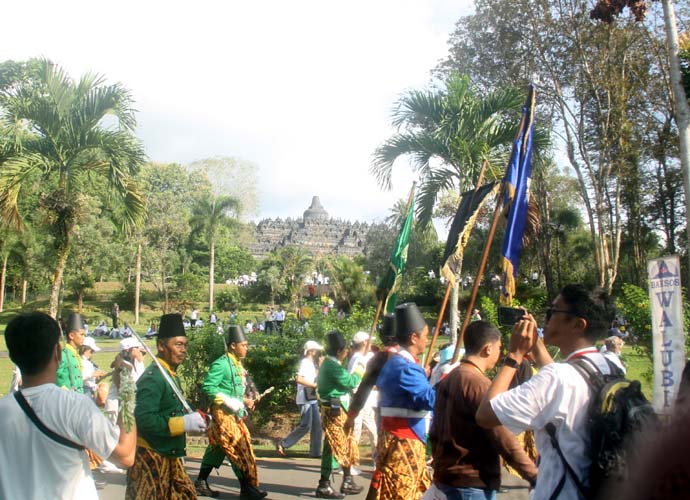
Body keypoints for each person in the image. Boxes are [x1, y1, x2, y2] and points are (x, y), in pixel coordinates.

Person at [476, 284, 617, 500]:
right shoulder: (610, 366)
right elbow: (563, 379)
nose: (546, 319)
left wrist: (514, 355)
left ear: (578, 325)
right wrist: (536, 346)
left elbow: (486, 414)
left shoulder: (556, 379)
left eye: (553, 312)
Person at [0, 312, 136, 500]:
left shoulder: (3, 410)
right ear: (57, 352)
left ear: (13, 357)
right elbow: (126, 455)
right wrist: (126, 389)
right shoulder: (74, 405)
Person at [430, 321, 538, 499]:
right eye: (499, 348)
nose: (499, 353)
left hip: (447, 477)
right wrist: (533, 474)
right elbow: (502, 437)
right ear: (488, 349)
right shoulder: (478, 384)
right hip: (470, 481)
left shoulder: (451, 377)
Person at [125, 313, 208, 500]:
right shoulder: (153, 378)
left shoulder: (170, 375)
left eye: (185, 345)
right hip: (150, 457)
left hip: (170, 456)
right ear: (162, 346)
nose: (183, 349)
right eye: (178, 344)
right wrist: (183, 424)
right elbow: (143, 418)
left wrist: (194, 420)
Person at [196, 326, 267, 500]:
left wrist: (244, 401)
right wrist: (228, 401)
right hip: (222, 414)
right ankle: (246, 488)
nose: (246, 348)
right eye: (243, 345)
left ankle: (201, 481)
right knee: (238, 446)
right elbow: (208, 386)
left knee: (218, 448)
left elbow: (235, 391)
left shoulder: (237, 365)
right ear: (233, 345)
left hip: (235, 414)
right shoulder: (221, 364)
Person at [374, 302, 435, 500]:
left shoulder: (398, 363)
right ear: (413, 337)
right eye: (425, 336)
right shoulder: (406, 367)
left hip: (398, 434)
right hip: (404, 438)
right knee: (403, 493)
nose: (427, 340)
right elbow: (429, 400)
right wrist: (450, 382)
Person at [314, 330, 364, 498]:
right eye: (345, 350)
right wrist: (360, 369)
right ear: (338, 351)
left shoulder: (330, 364)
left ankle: (345, 480)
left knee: (344, 444)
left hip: (337, 410)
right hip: (334, 412)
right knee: (337, 446)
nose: (347, 352)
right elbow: (352, 381)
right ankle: (325, 484)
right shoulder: (332, 366)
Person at [277, 340, 324, 458]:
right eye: (316, 350)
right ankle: (283, 443)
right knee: (306, 425)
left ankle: (315, 452)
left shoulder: (311, 363)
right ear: (311, 351)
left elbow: (314, 377)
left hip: (311, 396)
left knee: (317, 425)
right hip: (304, 397)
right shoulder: (304, 362)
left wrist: (321, 366)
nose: (317, 352)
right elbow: (299, 379)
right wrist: (313, 385)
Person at [346, 331, 377, 453]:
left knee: (372, 429)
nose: (371, 344)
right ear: (364, 342)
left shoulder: (358, 357)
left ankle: (377, 461)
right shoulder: (358, 359)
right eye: (369, 341)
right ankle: (349, 461)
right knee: (356, 431)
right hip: (359, 399)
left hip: (365, 399)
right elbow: (354, 380)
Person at [105, 338, 147, 425]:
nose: (139, 349)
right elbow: (121, 386)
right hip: (117, 405)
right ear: (128, 350)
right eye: (136, 347)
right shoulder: (122, 365)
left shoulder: (135, 363)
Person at [56, 313, 87, 392]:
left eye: (84, 335)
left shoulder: (76, 354)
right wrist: (63, 388)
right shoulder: (63, 354)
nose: (84, 337)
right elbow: (56, 375)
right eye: (81, 334)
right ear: (71, 336)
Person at [80, 336, 106, 401]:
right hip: (84, 390)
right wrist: (93, 374)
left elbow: (92, 380)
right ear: (86, 350)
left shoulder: (88, 362)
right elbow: (79, 376)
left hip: (90, 389)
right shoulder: (80, 361)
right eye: (91, 352)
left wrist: (99, 376)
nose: (92, 354)